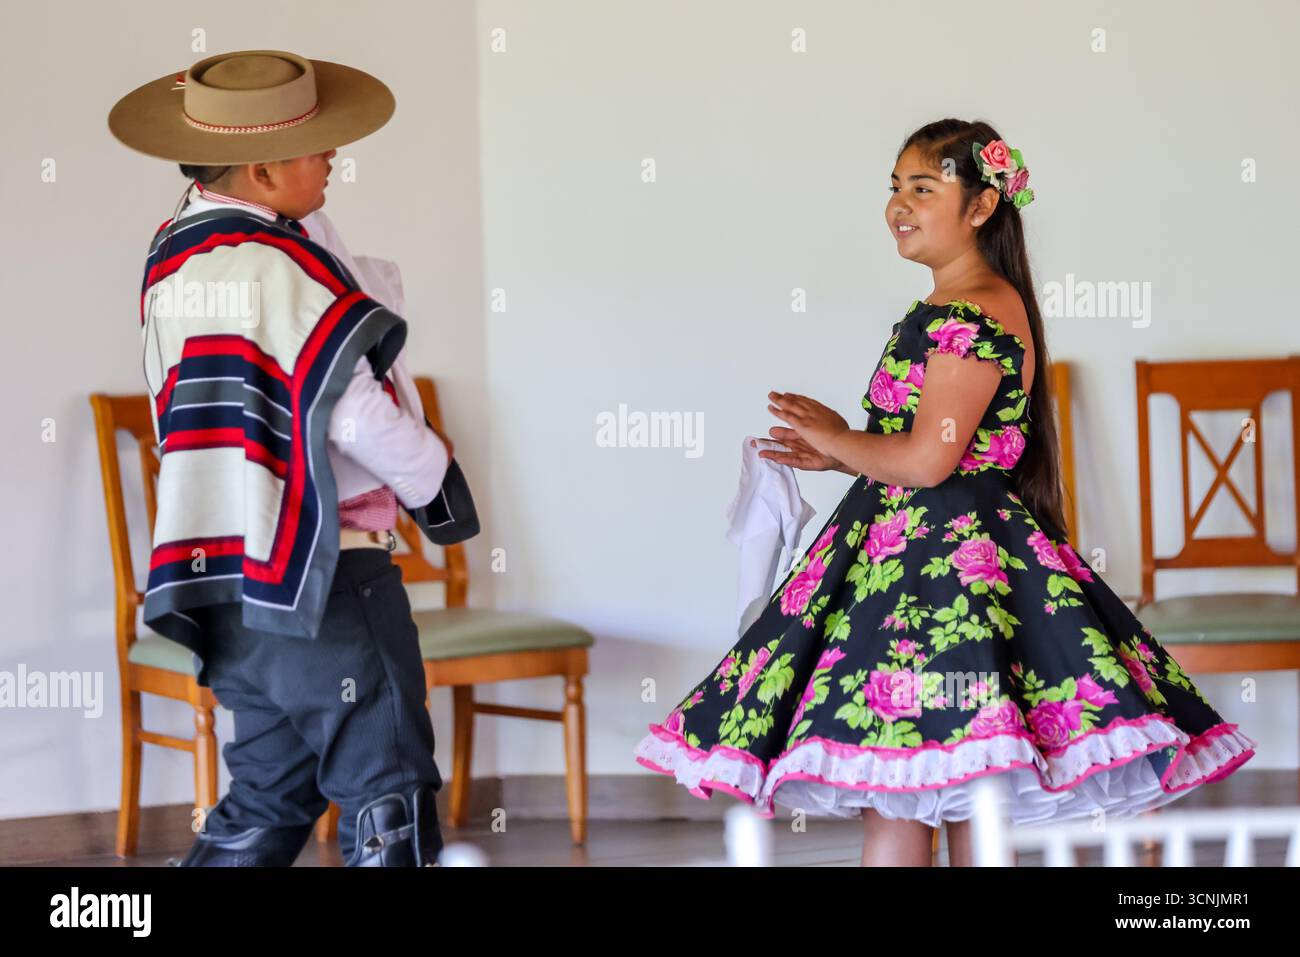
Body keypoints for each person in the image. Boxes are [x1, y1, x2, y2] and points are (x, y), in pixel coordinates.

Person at [633, 118, 1257, 867]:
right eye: (894, 187)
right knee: (946, 783)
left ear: (981, 206)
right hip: (918, 562)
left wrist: (838, 438)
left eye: (923, 188)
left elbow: (930, 461)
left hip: (939, 578)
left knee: (914, 785)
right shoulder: (961, 305)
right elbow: (927, 450)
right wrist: (842, 458)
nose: (900, 203)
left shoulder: (973, 312)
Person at [108, 49, 459, 866]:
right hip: (322, 576)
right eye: (318, 144)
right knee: (390, 786)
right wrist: (435, 476)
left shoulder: (176, 254)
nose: (334, 155)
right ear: (263, 171)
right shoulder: (277, 266)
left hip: (225, 579)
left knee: (270, 791)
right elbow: (353, 411)